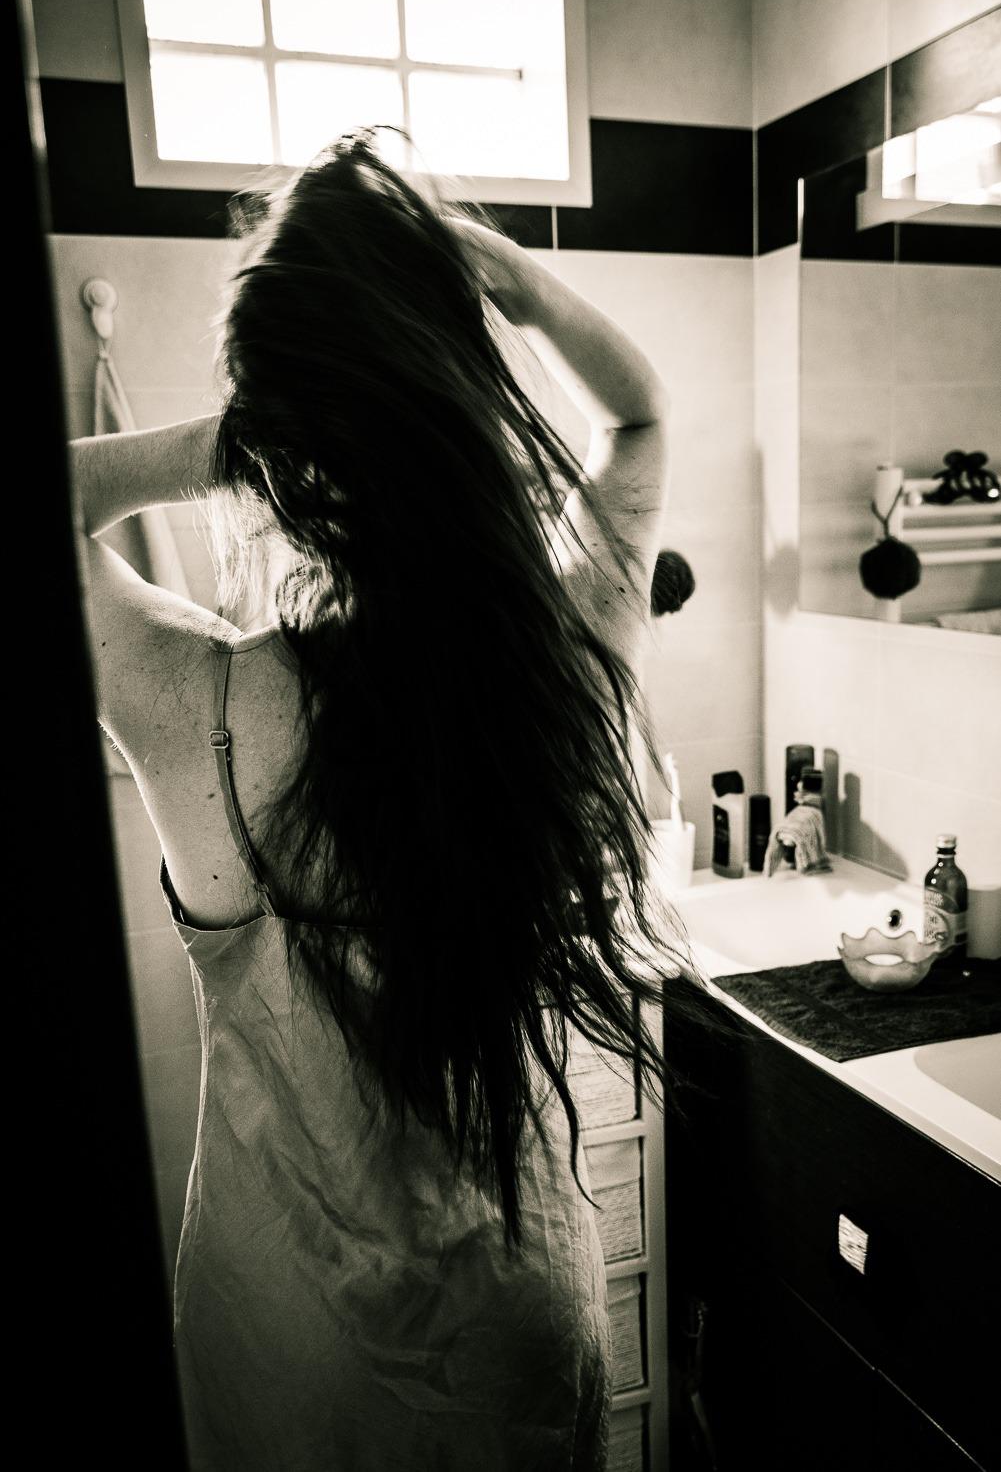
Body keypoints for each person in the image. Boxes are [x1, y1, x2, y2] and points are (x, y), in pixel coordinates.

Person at [70, 129, 699, 1471]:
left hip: (274, 1346)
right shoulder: (555, 658)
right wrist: (500, 277)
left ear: (276, 430)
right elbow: (640, 419)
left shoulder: (202, 704)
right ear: (457, 404)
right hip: (515, 1329)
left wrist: (242, 441)